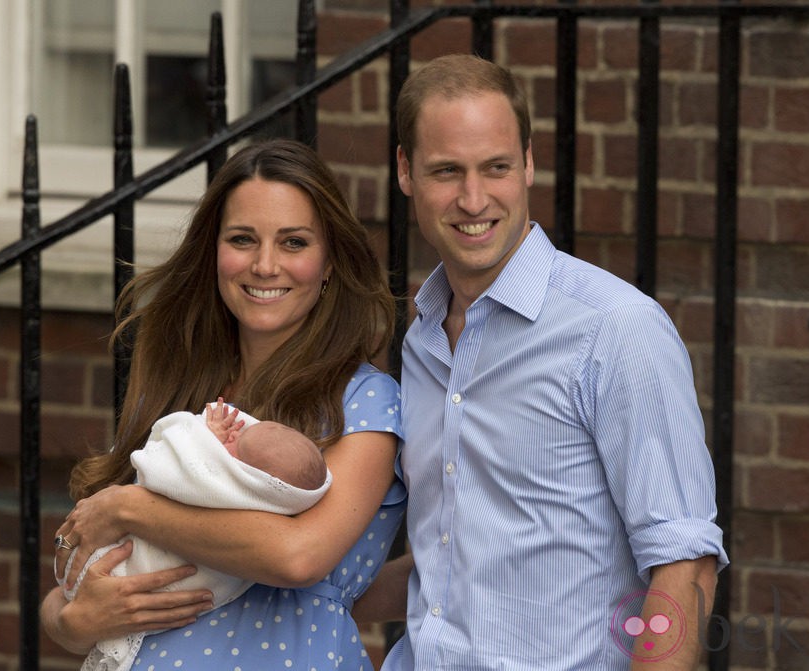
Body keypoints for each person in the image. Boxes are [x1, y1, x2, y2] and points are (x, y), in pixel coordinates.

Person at [365, 54, 728, 670]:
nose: (473, 198)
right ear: (405, 171)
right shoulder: (423, 339)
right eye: (447, 171)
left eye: (496, 168)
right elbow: (456, 556)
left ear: (529, 163)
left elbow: (684, 564)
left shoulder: (615, 329)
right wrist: (305, 596)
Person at [41, 138, 405, 671]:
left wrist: (132, 508)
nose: (264, 265)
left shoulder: (364, 401)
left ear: (329, 263)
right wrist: (72, 622)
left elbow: (297, 556)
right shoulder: (176, 389)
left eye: (294, 243)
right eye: (242, 239)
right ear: (214, 252)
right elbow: (81, 555)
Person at [58, 400, 332, 671]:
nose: (234, 432)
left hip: (147, 583)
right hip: (115, 598)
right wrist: (72, 623)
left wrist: (203, 438)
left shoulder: (228, 491)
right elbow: (60, 609)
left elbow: (170, 473)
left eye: (238, 442)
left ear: (249, 475)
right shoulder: (272, 496)